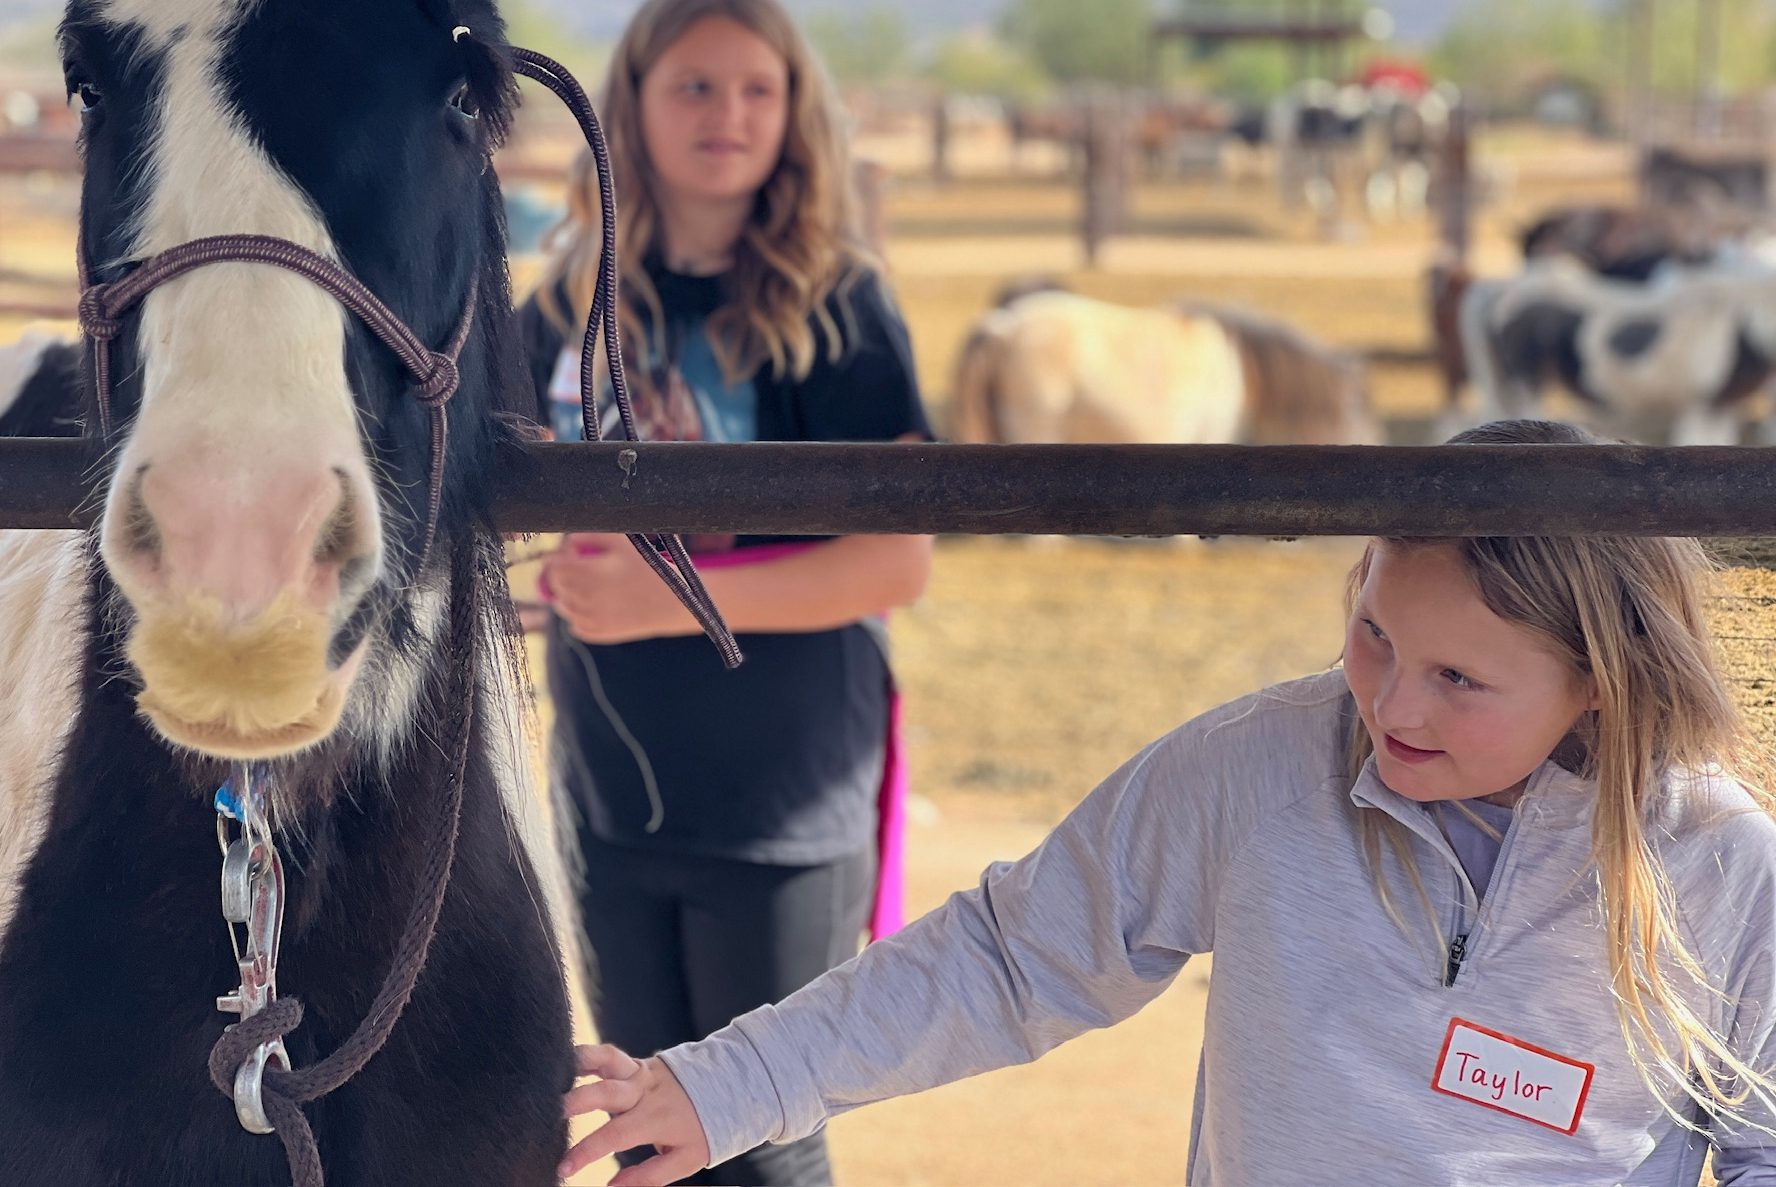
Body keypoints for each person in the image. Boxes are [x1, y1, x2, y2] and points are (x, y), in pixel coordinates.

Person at [561, 421, 1776, 1186]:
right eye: (1370, 631)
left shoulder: (1720, 864)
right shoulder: (1262, 766)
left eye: (1458, 678)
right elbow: (1009, 952)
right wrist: (730, 1083)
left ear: (1598, 680)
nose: (1391, 702)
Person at [515, 1, 932, 1183]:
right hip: (608, 796)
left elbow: (894, 560)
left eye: (757, 90)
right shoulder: (565, 305)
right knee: (644, 1133)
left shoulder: (836, 305)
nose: (728, 117)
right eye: (694, 87)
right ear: (631, 108)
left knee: (760, 1136)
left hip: (779, 803)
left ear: (796, 113)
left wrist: (657, 599)